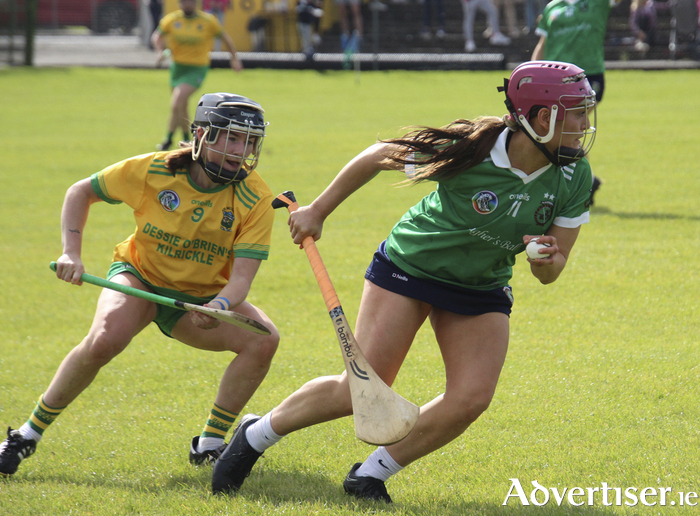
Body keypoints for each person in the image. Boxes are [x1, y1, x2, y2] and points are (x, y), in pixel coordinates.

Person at [211, 61, 598, 502]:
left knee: (471, 398)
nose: (586, 124)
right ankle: (254, 436)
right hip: (409, 268)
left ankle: (371, 474)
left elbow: (552, 271)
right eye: (578, 112)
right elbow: (379, 155)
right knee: (358, 390)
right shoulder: (470, 148)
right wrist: (318, 210)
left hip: (479, 285)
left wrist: (545, 258)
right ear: (543, 118)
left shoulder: (574, 175)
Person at [0, 93, 280, 478]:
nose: (241, 150)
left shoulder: (256, 198)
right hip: (139, 278)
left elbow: (242, 278)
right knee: (104, 340)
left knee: (264, 339)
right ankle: (25, 436)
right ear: (200, 135)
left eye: (250, 141)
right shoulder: (156, 169)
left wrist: (219, 306)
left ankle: (211, 443)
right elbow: (81, 191)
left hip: (197, 299)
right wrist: (71, 253)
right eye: (232, 138)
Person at [531, 0, 621, 203]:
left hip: (588, 77)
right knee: (562, 131)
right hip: (555, 81)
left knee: (565, 129)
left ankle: (580, 185)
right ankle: (586, 183)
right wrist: (530, 74)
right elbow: (542, 45)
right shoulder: (552, 7)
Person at [152, 0, 243, 152]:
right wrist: (160, 50)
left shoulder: (207, 21)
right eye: (184, 2)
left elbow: (226, 39)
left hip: (197, 68)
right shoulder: (172, 19)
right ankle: (187, 139)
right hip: (177, 68)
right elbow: (157, 36)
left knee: (177, 102)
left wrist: (234, 58)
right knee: (181, 106)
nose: (188, 5)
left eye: (191, 2)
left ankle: (168, 140)